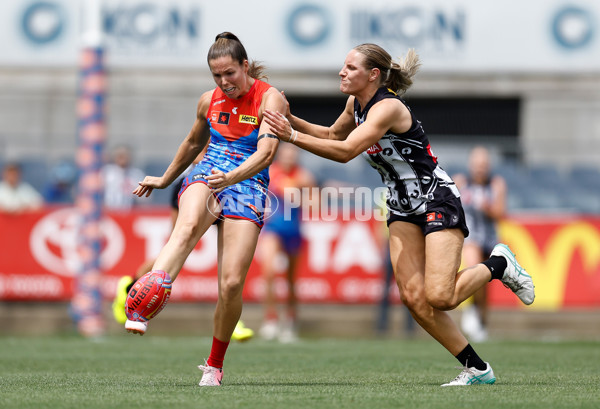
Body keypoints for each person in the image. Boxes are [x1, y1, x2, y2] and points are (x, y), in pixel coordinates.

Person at [263, 43, 534, 386]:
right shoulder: (355, 104)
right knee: (414, 299)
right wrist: (288, 119)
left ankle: (500, 265)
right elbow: (333, 134)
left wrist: (289, 134)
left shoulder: (387, 107)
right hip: (402, 206)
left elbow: (345, 151)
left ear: (373, 75)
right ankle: (477, 369)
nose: (342, 72)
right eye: (343, 67)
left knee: (441, 297)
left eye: (350, 67)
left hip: (436, 198)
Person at [129, 32, 285, 387]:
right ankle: (141, 304)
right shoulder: (207, 101)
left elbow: (266, 154)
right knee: (183, 231)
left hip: (246, 182)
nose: (224, 82)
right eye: (216, 76)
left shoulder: (270, 98)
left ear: (245, 67)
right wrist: (166, 179)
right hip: (208, 174)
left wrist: (231, 178)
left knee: (230, 284)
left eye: (230, 73)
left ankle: (214, 365)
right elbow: (193, 142)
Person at [112, 150, 254, 342]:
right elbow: (195, 152)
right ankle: (130, 287)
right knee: (178, 246)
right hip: (196, 186)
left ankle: (231, 319)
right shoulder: (214, 126)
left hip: (228, 187)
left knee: (229, 258)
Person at [258, 143, 315, 343]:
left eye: (293, 154)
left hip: (294, 229)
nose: (289, 157)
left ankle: (290, 321)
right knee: (269, 273)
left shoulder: (304, 177)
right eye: (285, 153)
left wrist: (297, 195)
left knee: (291, 280)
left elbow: (315, 203)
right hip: (273, 227)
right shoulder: (271, 172)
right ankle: (271, 319)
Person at [453, 146, 507, 342]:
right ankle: (469, 309)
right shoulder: (461, 182)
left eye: (483, 165)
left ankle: (481, 319)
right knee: (474, 266)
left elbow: (500, 214)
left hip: (490, 238)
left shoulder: (496, 184)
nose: (480, 169)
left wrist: (488, 208)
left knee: (484, 283)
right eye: (477, 164)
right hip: (471, 236)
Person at [102, 144, 146, 210]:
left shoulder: (137, 175)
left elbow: (144, 199)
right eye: (120, 155)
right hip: (109, 212)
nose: (122, 158)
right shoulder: (106, 172)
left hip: (131, 213)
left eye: (125, 155)